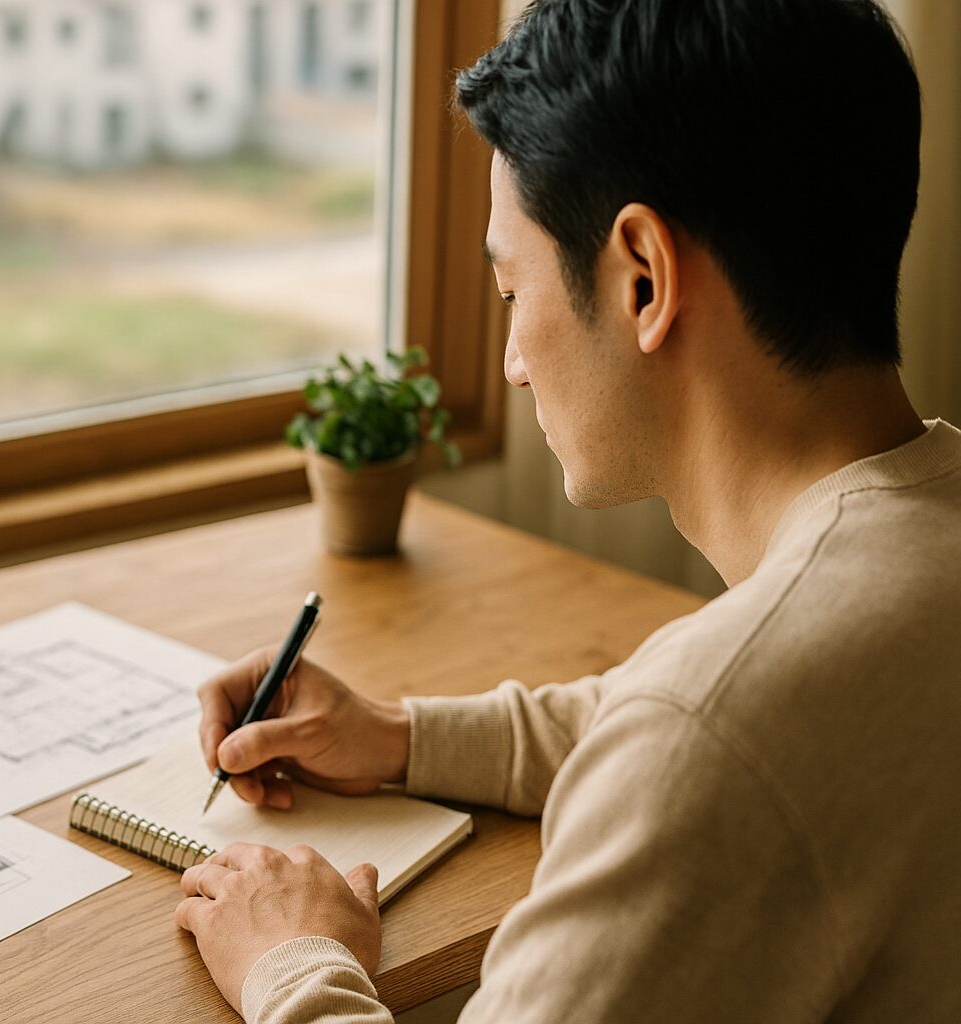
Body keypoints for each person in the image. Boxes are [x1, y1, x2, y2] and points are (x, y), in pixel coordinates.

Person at [173, 0, 961, 1021]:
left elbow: (704, 733)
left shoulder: (714, 732)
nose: (511, 363)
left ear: (643, 279)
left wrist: (295, 962)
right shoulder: (902, 562)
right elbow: (713, 720)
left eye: (512, 291)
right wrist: (400, 736)